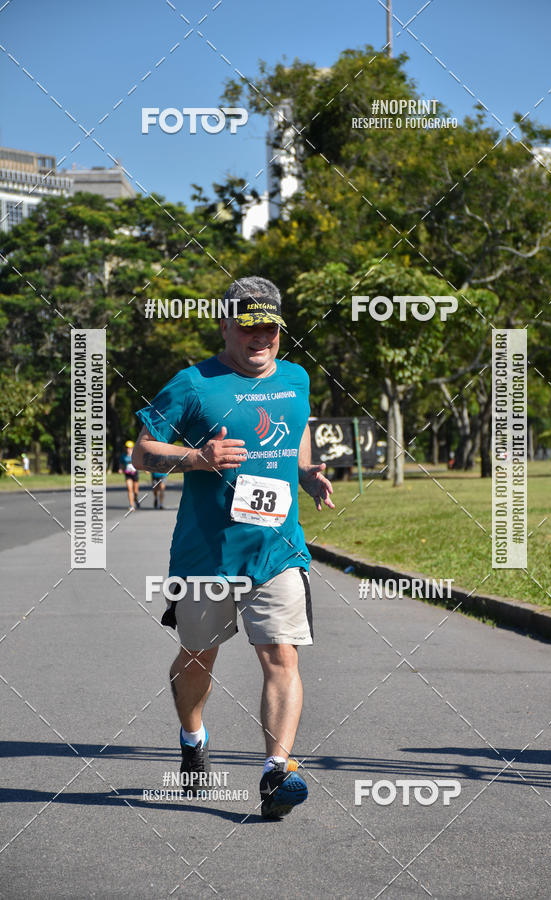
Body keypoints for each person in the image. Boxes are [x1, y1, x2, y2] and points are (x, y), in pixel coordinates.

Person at [133, 276, 334, 820]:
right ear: (225, 326)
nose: (260, 338)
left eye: (270, 327)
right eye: (249, 327)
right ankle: (193, 737)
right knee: (199, 656)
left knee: (281, 655)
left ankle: (276, 772)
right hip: (206, 554)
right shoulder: (193, 384)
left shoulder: (296, 378)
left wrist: (307, 474)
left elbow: (295, 436)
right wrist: (198, 458)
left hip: (277, 549)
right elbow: (143, 451)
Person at [119, 440, 140, 510]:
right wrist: (120, 469)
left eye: (130, 448)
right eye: (127, 448)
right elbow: (121, 464)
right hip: (128, 474)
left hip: (135, 474)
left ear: (133, 448)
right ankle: (131, 504)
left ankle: (136, 498)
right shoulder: (123, 456)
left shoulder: (136, 455)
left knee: (136, 491)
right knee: (129, 489)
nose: (128, 449)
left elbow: (140, 463)